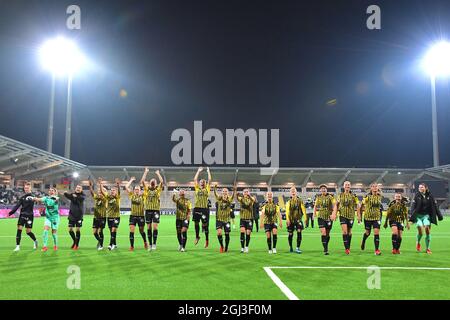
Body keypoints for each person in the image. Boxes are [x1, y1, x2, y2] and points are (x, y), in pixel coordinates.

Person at [409, 183, 443, 254]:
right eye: (419, 187)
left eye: (422, 187)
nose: (420, 188)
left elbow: (435, 206)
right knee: (420, 231)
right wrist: (412, 216)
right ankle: (418, 242)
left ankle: (428, 248)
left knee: (427, 229)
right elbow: (413, 207)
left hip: (426, 216)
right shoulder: (416, 196)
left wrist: (439, 215)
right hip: (418, 216)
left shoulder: (430, 196)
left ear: (425, 188)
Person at [8, 182, 38, 252]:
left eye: (27, 188)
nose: (26, 189)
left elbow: (35, 200)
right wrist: (11, 212)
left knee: (28, 232)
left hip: (30, 216)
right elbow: (17, 206)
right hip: (22, 215)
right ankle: (17, 246)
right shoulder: (22, 198)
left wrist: (33, 198)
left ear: (30, 188)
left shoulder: (33, 197)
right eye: (25, 188)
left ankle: (35, 240)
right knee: (19, 229)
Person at [141, 167, 164, 251]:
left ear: (155, 183)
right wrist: (146, 172)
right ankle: (150, 244)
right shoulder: (147, 190)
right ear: (150, 183)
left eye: (154, 180)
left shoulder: (158, 190)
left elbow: (162, 181)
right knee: (149, 227)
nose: (153, 181)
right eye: (152, 180)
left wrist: (158, 174)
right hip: (148, 210)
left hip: (156, 210)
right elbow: (142, 181)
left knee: (155, 227)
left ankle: (154, 243)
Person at [333, 181, 359, 255]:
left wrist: (358, 214)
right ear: (344, 187)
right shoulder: (340, 195)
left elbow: (357, 204)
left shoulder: (354, 195)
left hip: (351, 216)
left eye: (348, 185)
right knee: (345, 232)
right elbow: (336, 205)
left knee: (349, 232)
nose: (347, 186)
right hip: (342, 215)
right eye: (346, 185)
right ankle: (346, 248)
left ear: (350, 186)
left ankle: (348, 246)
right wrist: (335, 214)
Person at [358, 183, 383, 255]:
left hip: (376, 218)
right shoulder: (367, 197)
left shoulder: (380, 196)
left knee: (376, 233)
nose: (375, 188)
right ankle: (363, 241)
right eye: (373, 186)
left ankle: (377, 250)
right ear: (371, 188)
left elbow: (380, 193)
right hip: (368, 218)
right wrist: (360, 216)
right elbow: (361, 205)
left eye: (376, 186)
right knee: (367, 233)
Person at [32, 187, 60, 252]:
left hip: (55, 218)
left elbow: (57, 200)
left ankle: (55, 245)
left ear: (55, 192)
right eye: (50, 190)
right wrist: (33, 198)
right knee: (45, 231)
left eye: (52, 190)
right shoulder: (46, 198)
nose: (51, 191)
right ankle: (45, 246)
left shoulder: (56, 198)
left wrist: (54, 197)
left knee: (54, 233)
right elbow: (39, 199)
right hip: (48, 217)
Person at [125, 177, 147, 251]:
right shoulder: (132, 195)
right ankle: (131, 246)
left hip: (141, 216)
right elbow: (126, 187)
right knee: (132, 230)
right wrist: (131, 180)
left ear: (140, 190)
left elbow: (146, 188)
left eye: (138, 189)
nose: (137, 190)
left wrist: (143, 183)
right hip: (133, 216)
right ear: (134, 190)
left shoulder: (143, 196)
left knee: (141, 231)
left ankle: (145, 241)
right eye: (135, 189)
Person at [314, 185, 336, 255]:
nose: (323, 190)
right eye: (322, 189)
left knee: (327, 234)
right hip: (320, 217)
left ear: (326, 190)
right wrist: (314, 213)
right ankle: (325, 249)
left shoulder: (331, 197)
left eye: (324, 189)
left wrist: (333, 214)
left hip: (329, 217)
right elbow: (315, 206)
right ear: (320, 190)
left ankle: (326, 245)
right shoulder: (318, 197)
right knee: (323, 233)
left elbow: (334, 204)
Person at [192, 167, 212, 248]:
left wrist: (208, 171)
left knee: (205, 224)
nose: (202, 183)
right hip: (197, 208)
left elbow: (210, 180)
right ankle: (197, 237)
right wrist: (198, 171)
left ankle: (207, 240)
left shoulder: (207, 188)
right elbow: (194, 179)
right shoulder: (197, 188)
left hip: (204, 209)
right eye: (201, 182)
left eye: (203, 182)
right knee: (196, 223)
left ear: (205, 183)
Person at [100, 178, 121, 251]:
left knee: (113, 230)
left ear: (116, 192)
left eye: (114, 191)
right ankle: (114, 244)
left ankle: (110, 244)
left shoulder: (117, 197)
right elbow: (102, 192)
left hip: (116, 217)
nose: (112, 191)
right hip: (109, 217)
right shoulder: (108, 197)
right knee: (112, 232)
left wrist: (118, 185)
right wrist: (100, 184)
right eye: (111, 190)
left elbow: (119, 191)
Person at [214, 184, 236, 253]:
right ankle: (221, 246)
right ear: (222, 192)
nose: (224, 192)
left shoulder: (229, 199)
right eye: (223, 191)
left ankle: (226, 246)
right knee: (219, 233)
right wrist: (215, 189)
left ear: (227, 192)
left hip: (227, 220)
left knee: (227, 234)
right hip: (219, 219)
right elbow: (215, 194)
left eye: (226, 191)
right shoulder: (219, 198)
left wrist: (234, 191)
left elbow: (233, 196)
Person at [285, 187, 306, 253]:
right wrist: (287, 219)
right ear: (290, 193)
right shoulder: (288, 202)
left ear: (296, 192)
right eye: (292, 191)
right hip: (290, 220)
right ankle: (291, 247)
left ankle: (297, 248)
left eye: (294, 190)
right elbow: (287, 211)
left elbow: (303, 209)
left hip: (298, 219)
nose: (293, 191)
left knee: (299, 231)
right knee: (290, 233)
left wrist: (305, 218)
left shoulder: (300, 200)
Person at [64, 185, 85, 250]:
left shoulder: (83, 195)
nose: (78, 189)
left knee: (77, 230)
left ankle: (76, 245)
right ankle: (75, 242)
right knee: (70, 229)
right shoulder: (72, 195)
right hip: (71, 215)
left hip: (79, 215)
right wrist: (65, 192)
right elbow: (68, 195)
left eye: (79, 188)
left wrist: (75, 196)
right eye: (77, 188)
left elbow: (81, 198)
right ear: (75, 189)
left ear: (81, 190)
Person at [236, 188, 257, 253]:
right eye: (244, 192)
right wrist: (236, 195)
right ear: (243, 193)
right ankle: (242, 247)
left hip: (249, 219)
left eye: (247, 192)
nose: (246, 193)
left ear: (249, 193)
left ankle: (246, 246)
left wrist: (249, 196)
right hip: (242, 218)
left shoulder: (251, 199)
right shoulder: (241, 199)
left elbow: (254, 200)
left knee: (248, 233)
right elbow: (237, 198)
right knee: (242, 232)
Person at [88, 179, 107, 250]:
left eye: (101, 191)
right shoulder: (96, 197)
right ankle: (100, 241)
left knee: (100, 231)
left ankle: (101, 245)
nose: (100, 192)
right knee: (94, 232)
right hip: (95, 217)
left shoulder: (105, 198)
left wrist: (100, 184)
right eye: (99, 191)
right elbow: (92, 193)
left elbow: (103, 191)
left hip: (102, 217)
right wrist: (90, 186)